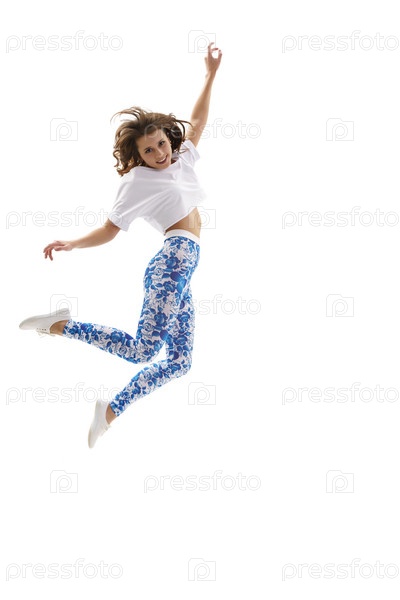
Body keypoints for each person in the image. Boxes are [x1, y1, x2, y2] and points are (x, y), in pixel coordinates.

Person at [19, 42, 222, 448]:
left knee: (179, 361)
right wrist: (73, 244)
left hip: (184, 270)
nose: (159, 153)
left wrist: (210, 74)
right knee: (142, 350)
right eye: (149, 150)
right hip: (171, 264)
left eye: (161, 143)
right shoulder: (136, 182)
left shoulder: (182, 158)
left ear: (168, 138)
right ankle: (59, 325)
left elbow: (198, 121)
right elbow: (110, 229)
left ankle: (108, 413)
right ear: (138, 155)